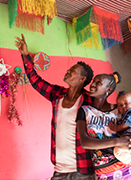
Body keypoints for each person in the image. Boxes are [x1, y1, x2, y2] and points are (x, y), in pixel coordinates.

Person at [15, 34, 95, 180]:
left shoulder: (90, 100)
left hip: (83, 170)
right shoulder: (57, 94)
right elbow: (36, 82)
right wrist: (25, 55)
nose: (67, 71)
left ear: (82, 79)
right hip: (60, 168)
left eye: (72, 71)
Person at [76, 72, 131, 180]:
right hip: (104, 172)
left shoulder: (120, 109)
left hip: (129, 166)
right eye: (93, 82)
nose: (92, 84)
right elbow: (85, 142)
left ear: (109, 89)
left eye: (98, 82)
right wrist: (117, 141)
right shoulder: (84, 111)